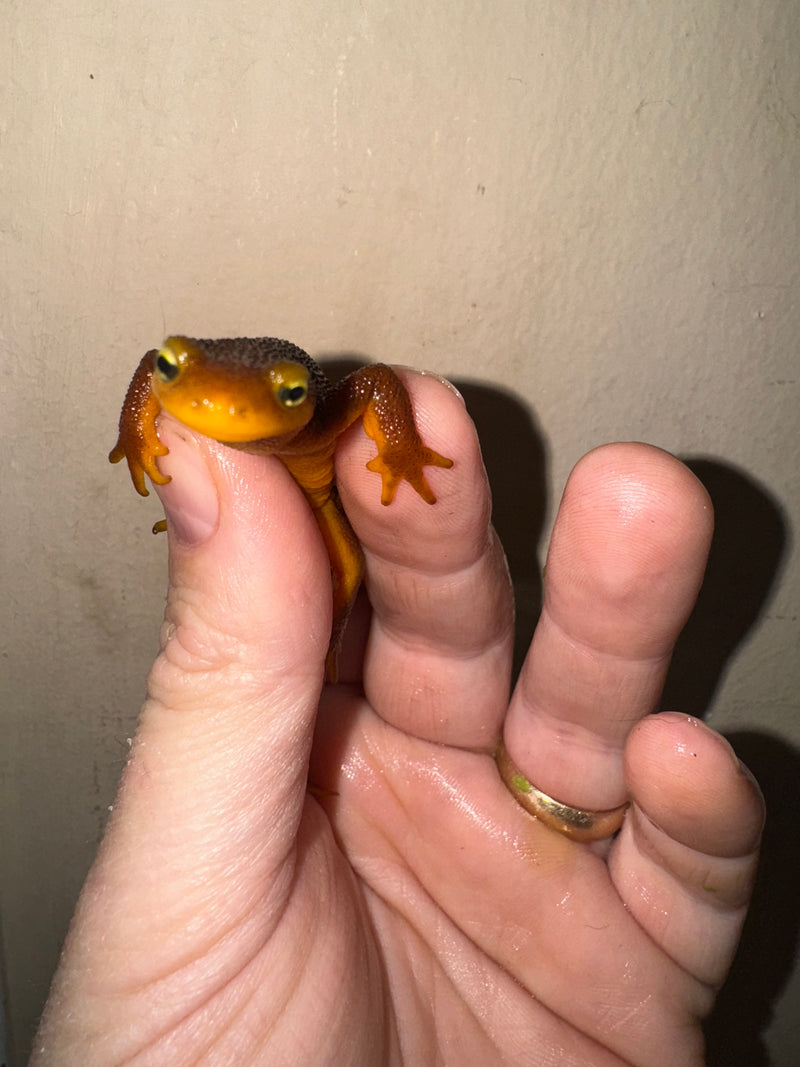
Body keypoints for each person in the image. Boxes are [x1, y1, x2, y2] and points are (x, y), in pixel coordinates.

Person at [32, 371, 763, 1066]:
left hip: (328, 525)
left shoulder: (326, 411)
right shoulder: (180, 384)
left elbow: (379, 384)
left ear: (305, 396)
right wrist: (138, 431)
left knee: (341, 585)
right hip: (288, 527)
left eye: (289, 393)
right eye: (172, 371)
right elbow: (154, 372)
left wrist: (401, 445)